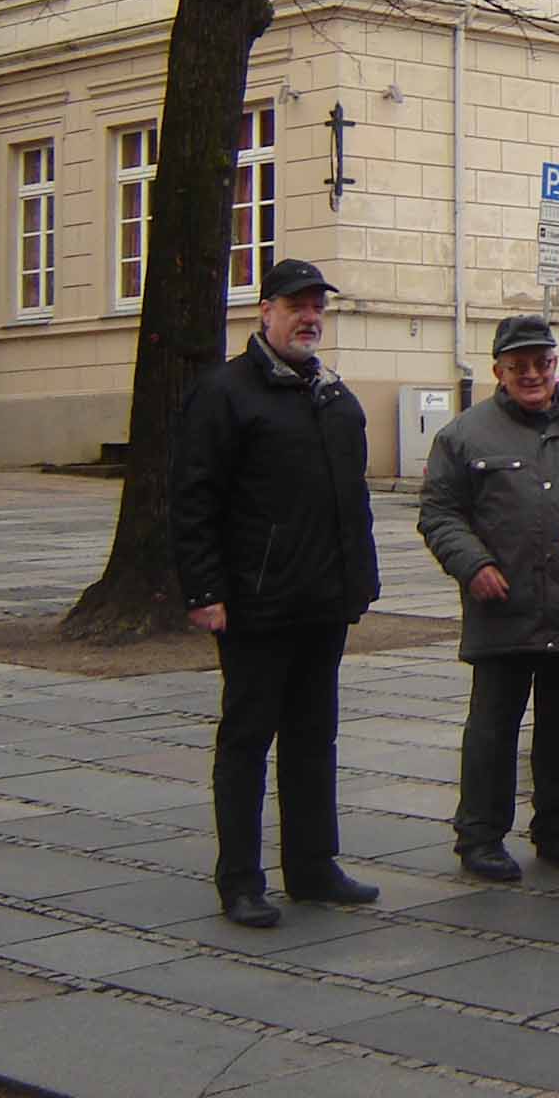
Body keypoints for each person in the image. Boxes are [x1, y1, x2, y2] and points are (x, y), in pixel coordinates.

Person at [173, 258, 382, 930]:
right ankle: (240, 880)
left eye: (318, 306)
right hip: (257, 604)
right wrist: (205, 590)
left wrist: (358, 584)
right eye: (297, 306)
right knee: (246, 741)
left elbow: (352, 502)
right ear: (264, 312)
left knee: (313, 738)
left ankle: (313, 867)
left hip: (323, 602)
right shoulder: (226, 394)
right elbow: (193, 498)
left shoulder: (334, 397)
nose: (310, 317)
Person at [417, 314, 559, 883]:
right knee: (492, 730)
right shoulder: (464, 435)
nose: (531, 374)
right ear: (498, 370)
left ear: (555, 365)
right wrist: (474, 565)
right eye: (518, 366)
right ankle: (480, 836)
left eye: (540, 363)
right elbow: (440, 512)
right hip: (504, 607)